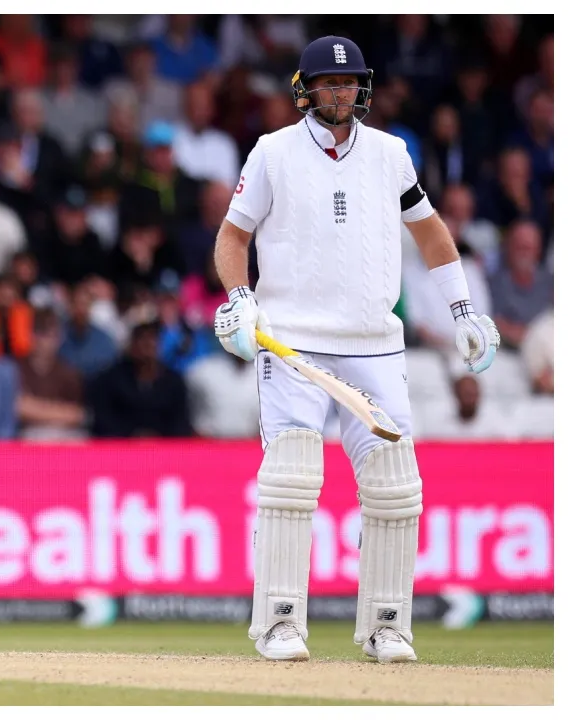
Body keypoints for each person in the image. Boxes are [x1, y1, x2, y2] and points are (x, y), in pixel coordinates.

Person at [211, 37, 500, 664]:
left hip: (374, 344)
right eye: (329, 84)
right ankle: (280, 623)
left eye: (350, 83)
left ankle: (387, 627)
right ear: (305, 87)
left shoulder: (392, 154)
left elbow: (431, 234)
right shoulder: (273, 153)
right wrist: (240, 297)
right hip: (291, 342)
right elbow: (232, 237)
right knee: (292, 475)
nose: (341, 93)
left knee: (395, 485)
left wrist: (463, 308)